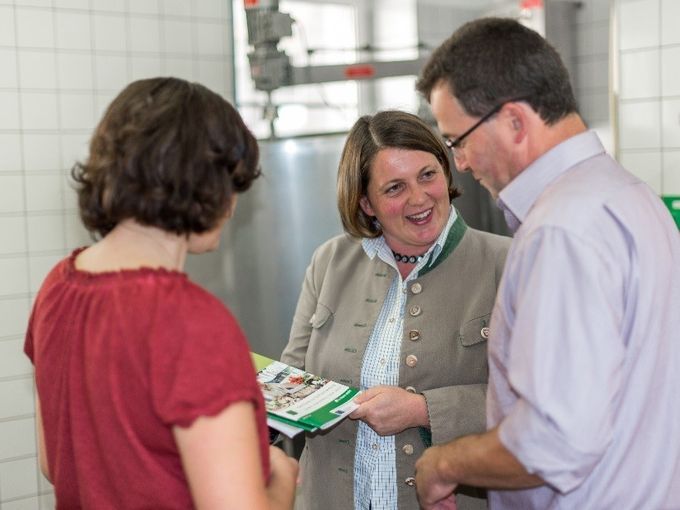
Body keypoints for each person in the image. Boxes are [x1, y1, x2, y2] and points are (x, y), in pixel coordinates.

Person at [413, 17, 680, 510]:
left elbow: (557, 444)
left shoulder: (560, 231)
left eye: (457, 141)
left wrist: (443, 463)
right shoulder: (633, 196)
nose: (462, 164)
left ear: (515, 121)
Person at [24, 77, 298, 509]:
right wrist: (280, 478)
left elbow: (53, 463)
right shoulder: (191, 322)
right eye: (233, 183)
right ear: (206, 184)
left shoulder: (56, 287)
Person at [280, 110, 510, 510]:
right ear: (366, 202)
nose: (419, 198)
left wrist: (424, 410)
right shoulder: (330, 262)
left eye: (427, 175)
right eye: (394, 188)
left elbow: (535, 405)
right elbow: (294, 379)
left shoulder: (506, 263)